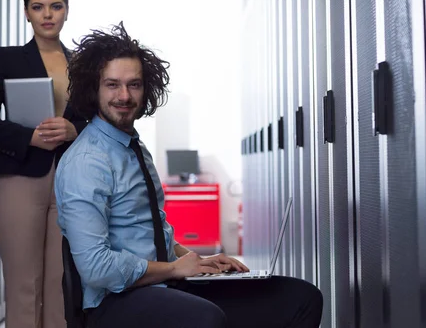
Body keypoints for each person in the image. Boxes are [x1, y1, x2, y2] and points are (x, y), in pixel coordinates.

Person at [55, 23, 323, 328]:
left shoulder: (134, 147)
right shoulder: (87, 161)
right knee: (206, 319)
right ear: (95, 88)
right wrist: (173, 269)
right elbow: (96, 268)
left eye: (134, 84)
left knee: (301, 297)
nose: (124, 96)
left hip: (164, 285)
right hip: (115, 302)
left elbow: (148, 235)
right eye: (112, 84)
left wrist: (197, 260)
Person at [0, 0, 87, 328]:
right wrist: (28, 137)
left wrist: (74, 129)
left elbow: (101, 121)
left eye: (56, 6)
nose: (47, 14)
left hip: (71, 181)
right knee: (24, 285)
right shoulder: (7, 59)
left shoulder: (82, 64)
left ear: (67, 12)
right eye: (38, 7)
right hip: (20, 177)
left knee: (61, 285)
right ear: (26, 13)